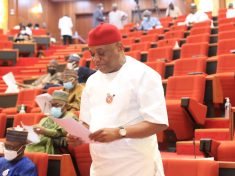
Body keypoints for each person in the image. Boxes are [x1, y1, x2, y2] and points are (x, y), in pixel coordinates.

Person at [67, 23, 168, 176]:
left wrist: (120, 132)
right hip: (102, 165)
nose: (96, 59)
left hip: (136, 165)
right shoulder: (92, 81)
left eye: (101, 53)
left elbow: (158, 122)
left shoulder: (144, 75)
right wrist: (79, 136)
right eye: (92, 54)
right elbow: (87, 122)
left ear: (119, 47)